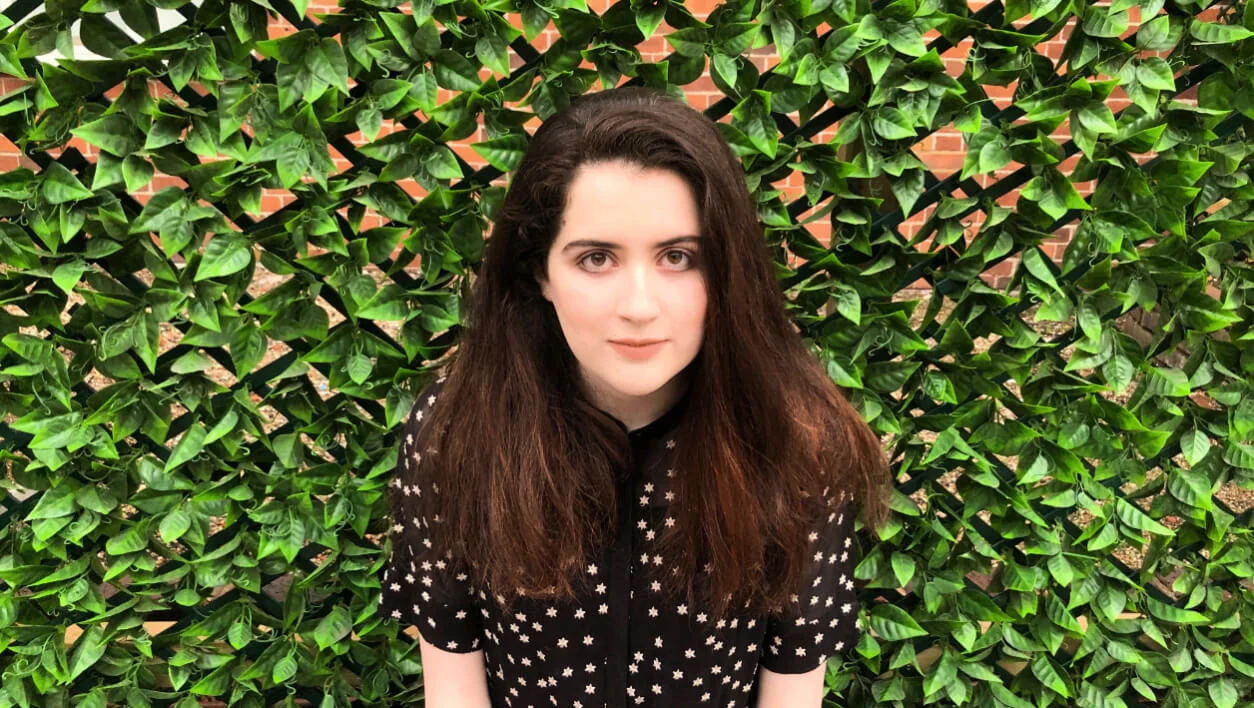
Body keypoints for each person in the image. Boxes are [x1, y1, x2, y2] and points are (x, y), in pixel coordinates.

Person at [377, 85, 892, 707]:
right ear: (541, 271)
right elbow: (454, 684)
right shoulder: (456, 431)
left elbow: (792, 688)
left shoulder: (797, 442)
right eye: (596, 258)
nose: (640, 308)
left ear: (725, 270)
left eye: (678, 256)